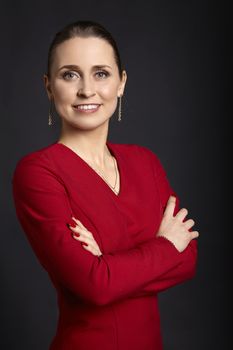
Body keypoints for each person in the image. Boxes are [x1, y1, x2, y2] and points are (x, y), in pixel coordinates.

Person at [11, 20, 199, 350]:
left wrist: (108, 267)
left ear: (121, 83)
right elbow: (94, 287)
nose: (86, 89)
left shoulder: (145, 162)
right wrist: (164, 248)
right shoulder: (37, 173)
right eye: (69, 74)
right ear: (48, 86)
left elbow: (188, 260)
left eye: (101, 73)